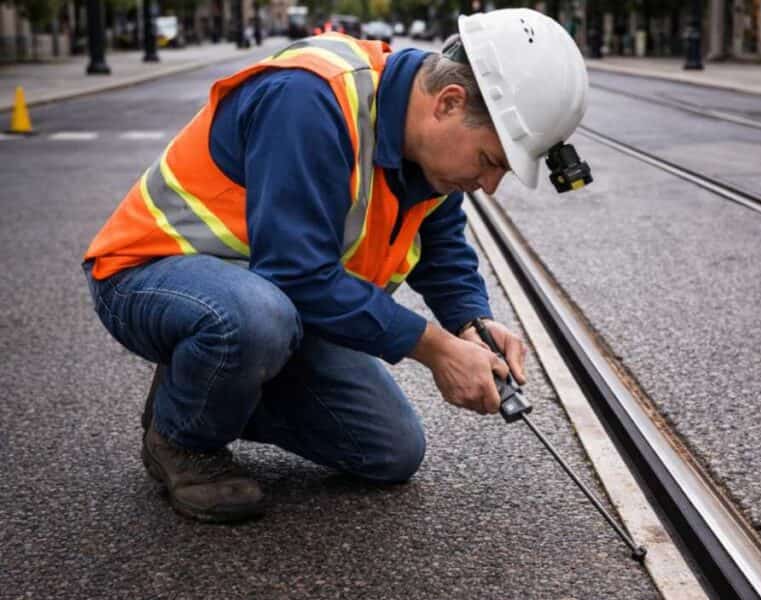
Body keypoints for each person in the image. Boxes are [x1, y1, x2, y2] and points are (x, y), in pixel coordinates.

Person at [81, 8, 589, 523]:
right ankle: (183, 439)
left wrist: (470, 322)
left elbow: (441, 249)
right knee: (251, 319)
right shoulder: (311, 97)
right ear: (449, 103)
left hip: (276, 304)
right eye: (490, 161)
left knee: (390, 451)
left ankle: (206, 382)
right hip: (153, 275)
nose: (490, 185)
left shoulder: (429, 153)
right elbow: (296, 273)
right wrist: (436, 349)